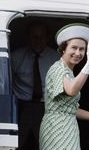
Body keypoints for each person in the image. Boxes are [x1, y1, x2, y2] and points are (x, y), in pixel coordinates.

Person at [39, 23, 89, 150]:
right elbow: (71, 90)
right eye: (73, 48)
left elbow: (70, 110)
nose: (78, 53)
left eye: (82, 49)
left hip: (67, 127)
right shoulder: (58, 69)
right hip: (57, 129)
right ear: (64, 49)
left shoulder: (68, 72)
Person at [11, 21, 59, 150]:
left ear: (48, 38)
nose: (38, 40)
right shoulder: (15, 57)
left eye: (42, 37)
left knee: (47, 144)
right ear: (27, 38)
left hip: (47, 107)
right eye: (34, 37)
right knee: (16, 143)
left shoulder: (56, 58)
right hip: (21, 106)